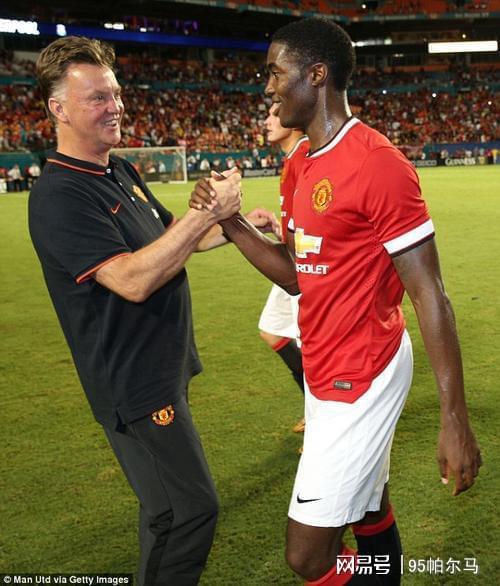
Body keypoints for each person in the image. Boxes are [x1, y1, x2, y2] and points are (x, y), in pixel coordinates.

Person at [191, 17, 481, 585]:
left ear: (316, 75)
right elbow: (298, 277)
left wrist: (454, 419)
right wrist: (231, 222)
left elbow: (430, 294)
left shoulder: (378, 164)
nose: (267, 87)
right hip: (324, 366)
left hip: (363, 371)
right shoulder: (300, 163)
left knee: (308, 555)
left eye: (276, 73)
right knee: (369, 510)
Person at [28, 36, 249, 586]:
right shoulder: (60, 194)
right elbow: (131, 279)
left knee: (166, 511)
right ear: (59, 110)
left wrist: (239, 226)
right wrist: (208, 213)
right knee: (191, 511)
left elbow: (173, 239)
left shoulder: (119, 170)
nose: (116, 107)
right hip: (133, 383)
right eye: (98, 98)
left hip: (159, 371)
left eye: (116, 94)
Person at [258, 104, 309, 433]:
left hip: (306, 269)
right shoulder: (292, 158)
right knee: (272, 329)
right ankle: (313, 407)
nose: (266, 121)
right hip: (291, 262)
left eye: (274, 114)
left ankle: (323, 425)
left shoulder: (304, 156)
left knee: (314, 352)